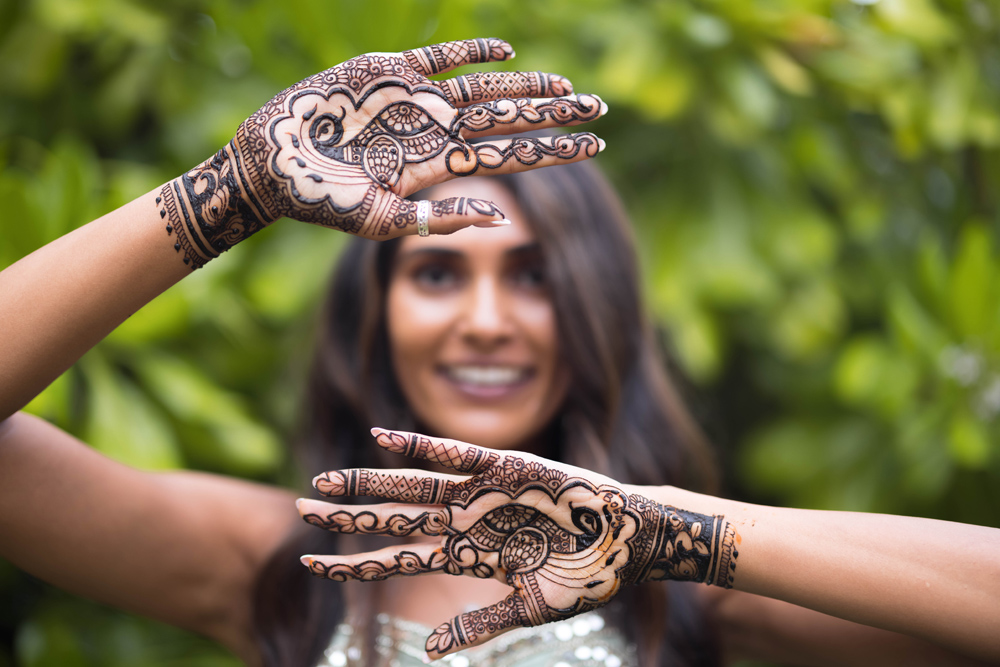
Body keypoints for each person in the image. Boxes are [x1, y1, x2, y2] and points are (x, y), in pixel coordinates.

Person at [0, 38, 997, 667]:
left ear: (594, 311)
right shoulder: (284, 564)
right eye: (437, 273)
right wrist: (229, 193)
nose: (486, 317)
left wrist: (676, 538)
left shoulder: (688, 604)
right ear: (377, 312)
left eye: (533, 276)